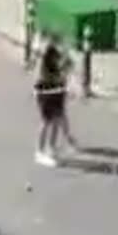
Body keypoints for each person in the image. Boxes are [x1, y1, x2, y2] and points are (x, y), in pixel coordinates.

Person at [34, 36, 75, 167]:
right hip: (47, 92)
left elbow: (68, 67)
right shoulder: (46, 55)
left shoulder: (58, 53)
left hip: (57, 90)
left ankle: (51, 148)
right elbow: (48, 75)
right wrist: (63, 71)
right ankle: (40, 152)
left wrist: (66, 66)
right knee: (47, 121)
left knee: (57, 119)